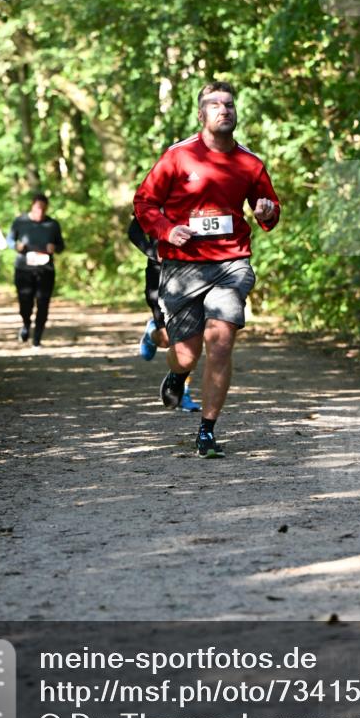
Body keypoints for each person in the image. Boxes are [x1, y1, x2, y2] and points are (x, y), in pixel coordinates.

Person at [133, 80, 280, 458]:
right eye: (215, 104)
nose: (224, 109)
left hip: (231, 265)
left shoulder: (250, 163)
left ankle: (208, 430)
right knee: (186, 353)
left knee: (221, 342)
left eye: (229, 104)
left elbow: (269, 210)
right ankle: (178, 374)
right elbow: (144, 202)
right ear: (201, 115)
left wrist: (267, 212)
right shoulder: (178, 157)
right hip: (183, 269)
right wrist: (167, 230)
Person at [128, 215, 200, 412]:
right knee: (166, 340)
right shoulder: (156, 196)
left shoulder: (199, 192)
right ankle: (153, 333)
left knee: (189, 337)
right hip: (159, 274)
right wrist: (152, 251)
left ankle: (181, 390)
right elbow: (134, 231)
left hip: (194, 273)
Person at [8, 193, 65, 350]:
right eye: (38, 208)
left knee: (43, 303)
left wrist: (55, 248)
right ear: (32, 206)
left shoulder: (53, 224)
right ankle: (26, 324)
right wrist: (16, 246)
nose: (40, 211)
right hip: (23, 268)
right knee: (25, 302)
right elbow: (10, 240)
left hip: (46, 270)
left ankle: (37, 338)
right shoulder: (20, 221)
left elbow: (61, 245)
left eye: (43, 209)